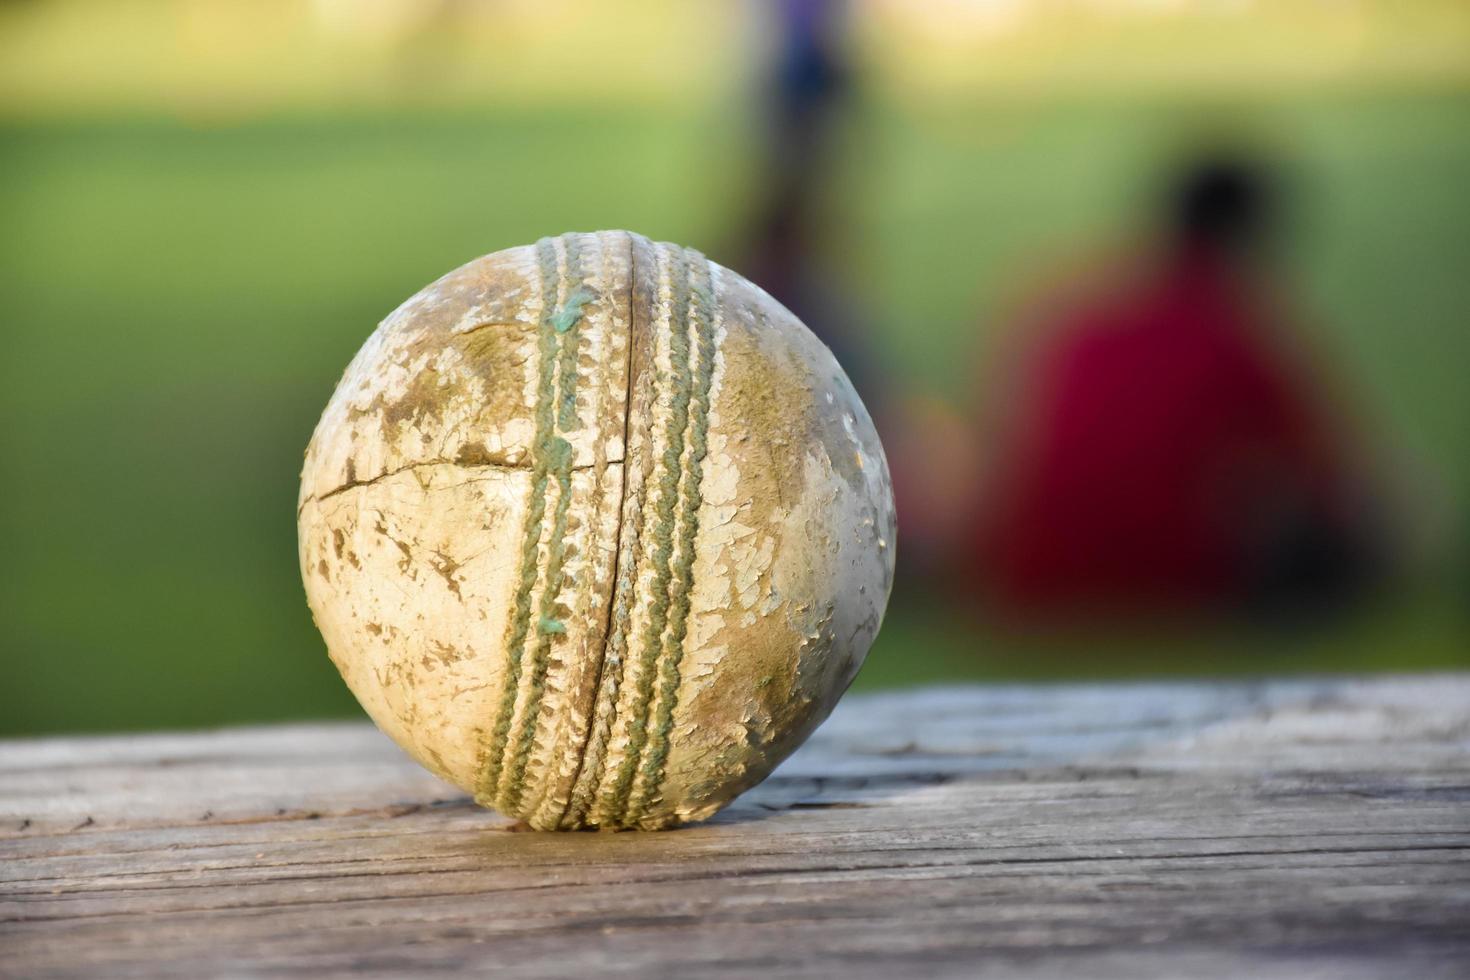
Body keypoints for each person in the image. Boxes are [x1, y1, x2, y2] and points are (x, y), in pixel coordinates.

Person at [964, 156, 1385, 621]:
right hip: (1166, 577)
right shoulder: (1237, 331)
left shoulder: (1080, 314)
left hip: (1031, 577)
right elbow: (1334, 475)